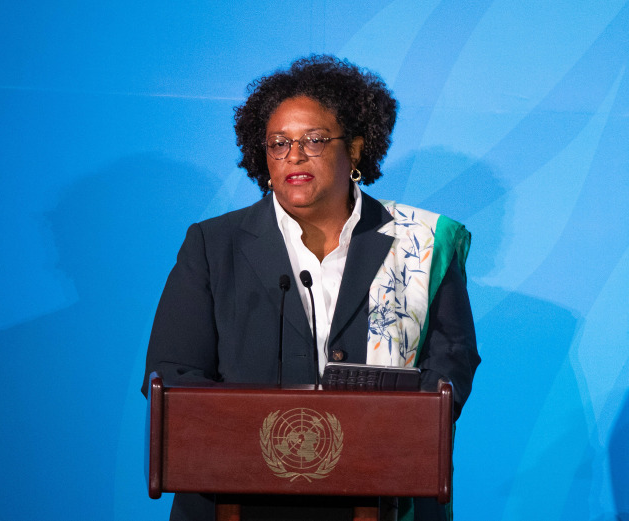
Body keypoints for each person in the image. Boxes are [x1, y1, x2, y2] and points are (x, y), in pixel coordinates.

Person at [142, 55, 480, 521]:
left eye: (314, 140)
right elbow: (172, 372)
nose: (293, 155)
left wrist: (394, 433)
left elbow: (452, 359)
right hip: (236, 502)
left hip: (385, 497)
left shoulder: (420, 243)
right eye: (278, 143)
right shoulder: (212, 245)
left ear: (357, 148)